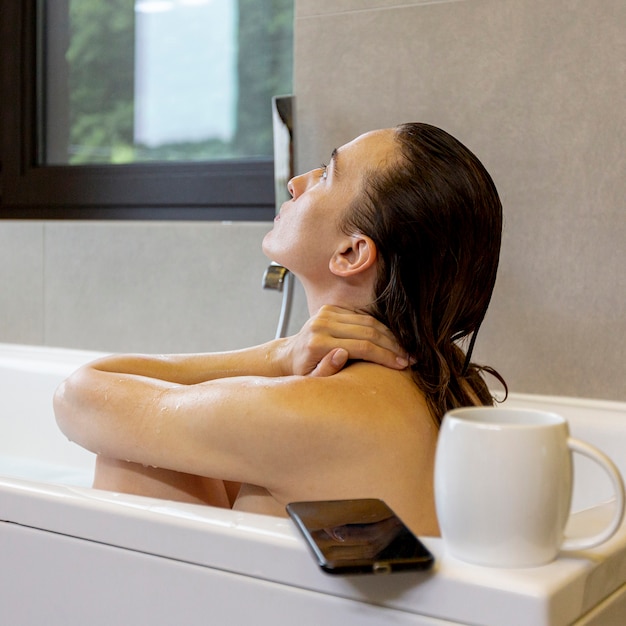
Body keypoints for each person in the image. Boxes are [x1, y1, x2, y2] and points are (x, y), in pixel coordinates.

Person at [54, 123, 505, 536]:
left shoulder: (313, 411)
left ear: (350, 253)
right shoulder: (457, 383)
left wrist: (276, 356)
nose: (297, 181)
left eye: (327, 174)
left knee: (134, 456)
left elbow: (79, 396)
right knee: (178, 453)